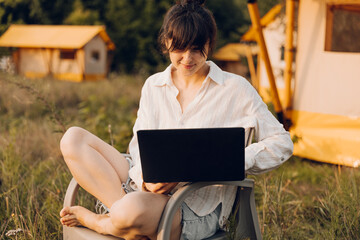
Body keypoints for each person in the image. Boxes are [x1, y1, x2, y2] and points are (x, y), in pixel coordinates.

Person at [59, 0, 294, 239]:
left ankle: (104, 221)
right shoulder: (154, 85)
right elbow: (139, 146)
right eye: (179, 48)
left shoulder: (235, 89)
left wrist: (228, 160)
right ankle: (124, 219)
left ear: (209, 44)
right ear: (166, 43)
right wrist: (146, 182)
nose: (187, 58)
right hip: (142, 187)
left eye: (196, 49)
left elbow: (282, 143)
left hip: (194, 205)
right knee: (73, 138)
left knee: (131, 209)